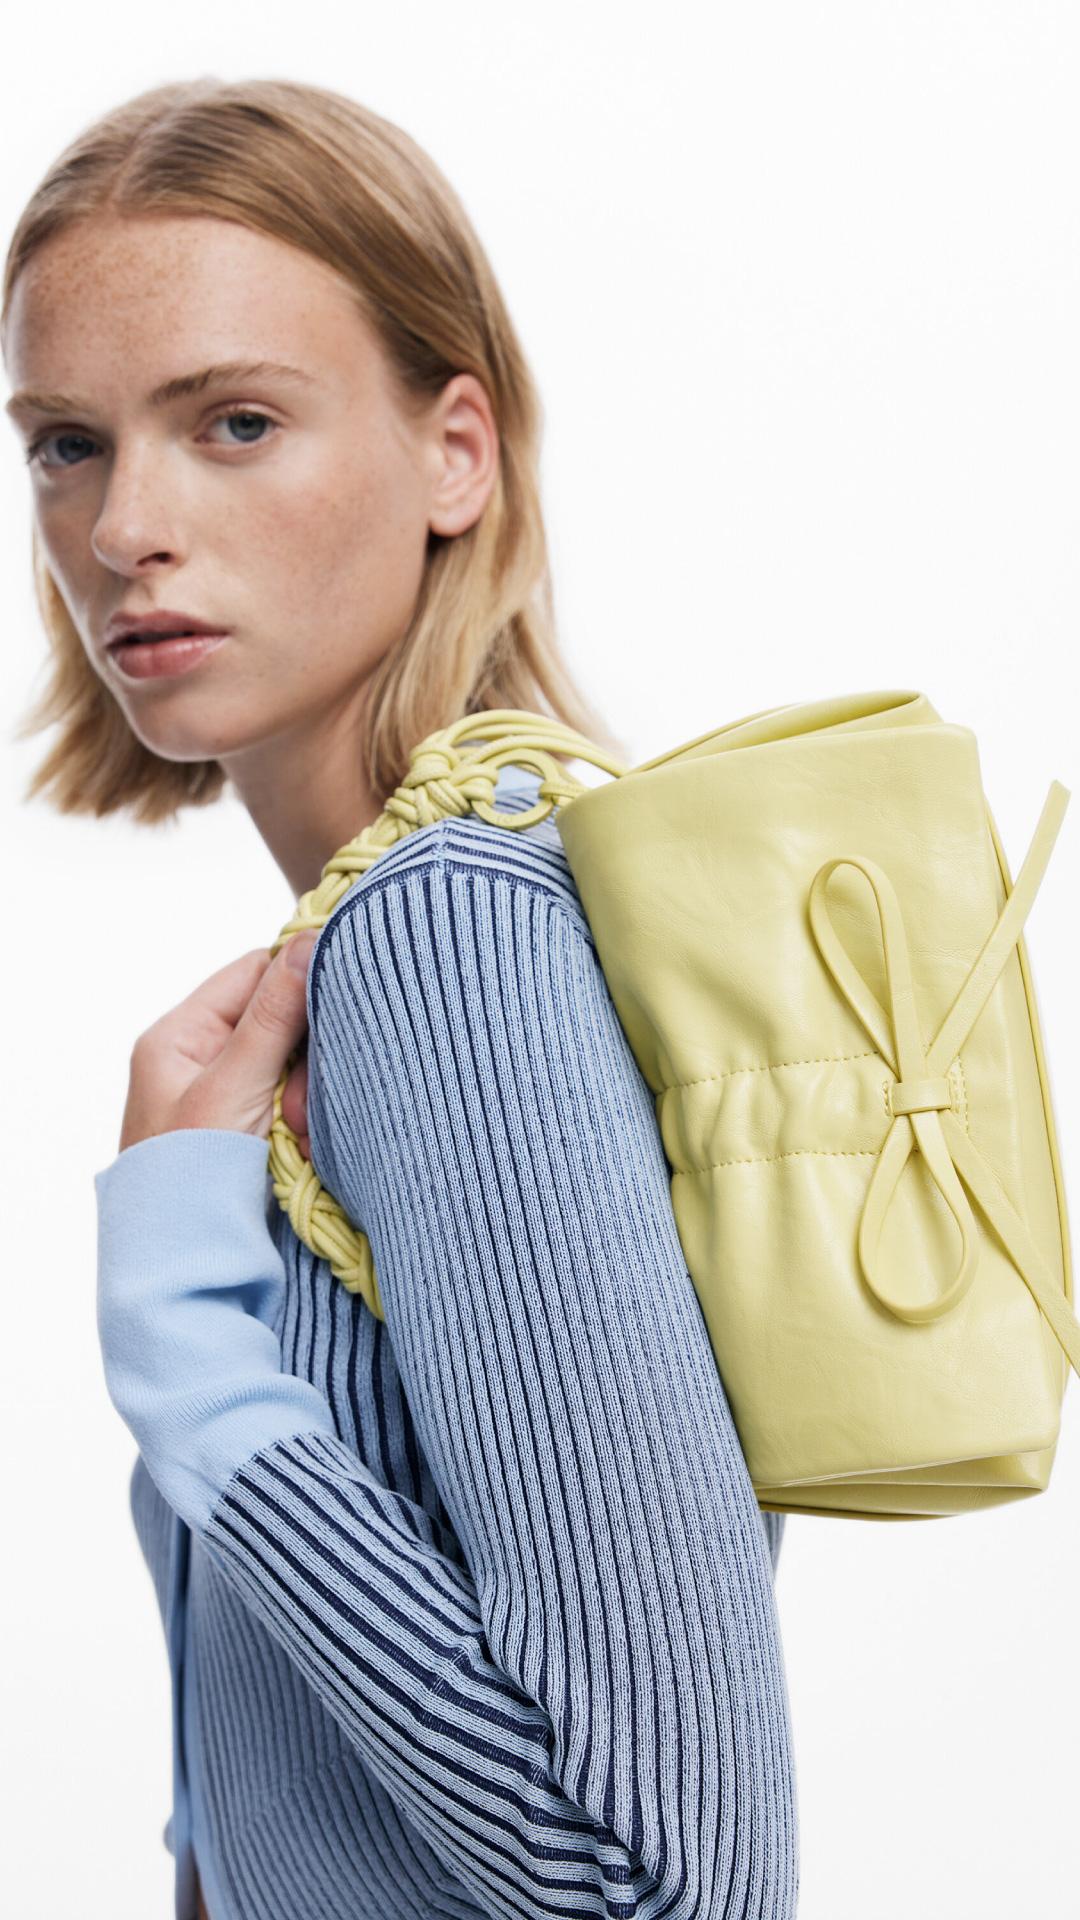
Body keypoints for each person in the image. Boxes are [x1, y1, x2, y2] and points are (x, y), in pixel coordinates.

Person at [3, 76, 799, 1920]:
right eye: (67, 444)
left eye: (236, 422)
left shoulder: (453, 937)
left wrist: (194, 1361)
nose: (125, 527)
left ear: (457, 454)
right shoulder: (396, 931)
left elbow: (653, 1879)